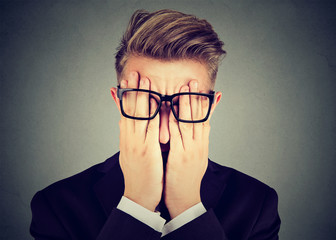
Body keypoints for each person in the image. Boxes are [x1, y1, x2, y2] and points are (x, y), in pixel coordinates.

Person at [30, 9, 281, 240]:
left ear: (211, 106)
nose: (163, 135)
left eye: (185, 105)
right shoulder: (56, 206)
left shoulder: (257, 205)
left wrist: (188, 207)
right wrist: (136, 204)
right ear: (119, 102)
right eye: (145, 103)